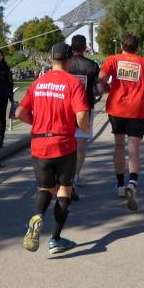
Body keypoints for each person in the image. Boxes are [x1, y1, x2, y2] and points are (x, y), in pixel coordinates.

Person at [16, 43, 90, 254]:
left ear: (50, 60)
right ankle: (55, 240)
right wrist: (83, 128)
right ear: (69, 61)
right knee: (64, 189)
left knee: (45, 188)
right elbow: (82, 115)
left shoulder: (38, 83)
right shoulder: (73, 83)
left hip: (39, 144)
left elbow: (20, 113)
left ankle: (37, 216)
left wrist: (37, 123)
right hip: (64, 143)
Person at [98, 34, 144, 211]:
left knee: (119, 146)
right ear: (137, 47)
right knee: (134, 148)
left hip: (116, 108)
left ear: (122, 46)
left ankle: (119, 185)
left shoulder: (113, 60)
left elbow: (101, 77)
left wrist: (108, 87)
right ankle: (132, 183)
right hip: (136, 110)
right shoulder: (143, 62)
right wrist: (143, 84)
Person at [68, 35, 101, 191]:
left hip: (66, 108)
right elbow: (99, 88)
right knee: (80, 147)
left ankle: (64, 177)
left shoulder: (66, 64)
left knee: (66, 143)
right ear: (84, 47)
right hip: (85, 107)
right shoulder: (92, 65)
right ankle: (75, 177)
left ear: (71, 46)